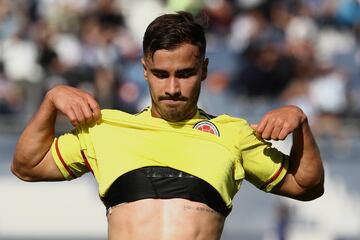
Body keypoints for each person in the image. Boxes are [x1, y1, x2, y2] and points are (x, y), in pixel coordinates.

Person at [11, 11, 324, 240]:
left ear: (203, 70)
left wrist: (301, 123)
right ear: (145, 70)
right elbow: (27, 165)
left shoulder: (234, 133)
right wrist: (51, 102)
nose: (172, 87)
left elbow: (306, 186)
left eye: (185, 74)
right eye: (161, 74)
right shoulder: (104, 128)